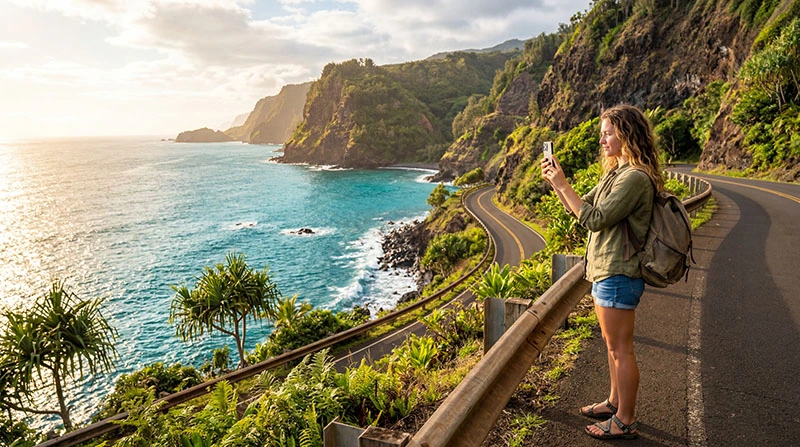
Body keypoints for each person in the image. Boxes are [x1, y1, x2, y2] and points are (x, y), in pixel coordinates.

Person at [540, 104, 664, 440]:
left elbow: (595, 219)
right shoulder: (617, 173)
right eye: (601, 134)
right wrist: (557, 183)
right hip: (606, 270)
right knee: (612, 348)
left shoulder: (635, 178)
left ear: (626, 134)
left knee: (621, 349)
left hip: (619, 273)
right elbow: (581, 209)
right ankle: (614, 402)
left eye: (608, 133)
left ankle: (625, 419)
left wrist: (563, 184)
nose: (602, 140)